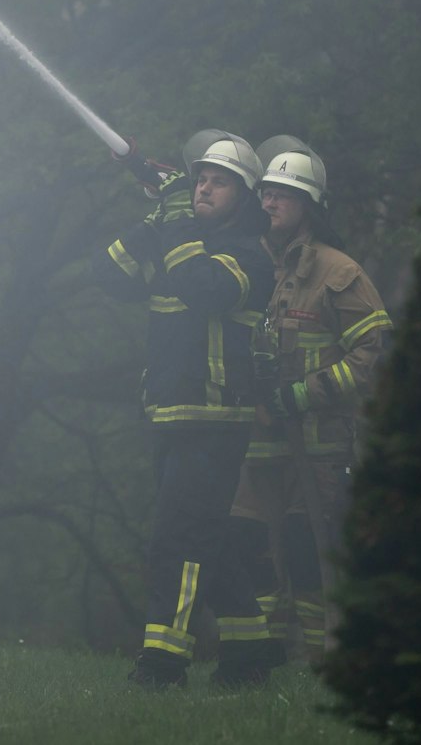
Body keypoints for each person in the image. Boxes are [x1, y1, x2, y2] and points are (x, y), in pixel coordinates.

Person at [94, 132, 281, 688]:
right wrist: (158, 215)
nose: (203, 186)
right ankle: (250, 654)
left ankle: (163, 664)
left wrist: (175, 220)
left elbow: (202, 288)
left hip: (214, 422)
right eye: (199, 178)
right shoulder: (180, 243)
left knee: (176, 540)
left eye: (218, 181)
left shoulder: (249, 256)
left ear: (245, 198)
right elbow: (106, 275)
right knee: (207, 537)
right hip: (171, 415)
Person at [230, 139, 392, 664]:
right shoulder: (248, 265)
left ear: (309, 206)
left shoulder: (338, 272)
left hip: (319, 446)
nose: (270, 202)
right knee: (258, 553)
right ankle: (268, 657)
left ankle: (319, 661)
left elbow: (371, 355)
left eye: (283, 194)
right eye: (267, 193)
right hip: (257, 443)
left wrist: (302, 394)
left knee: (307, 551)